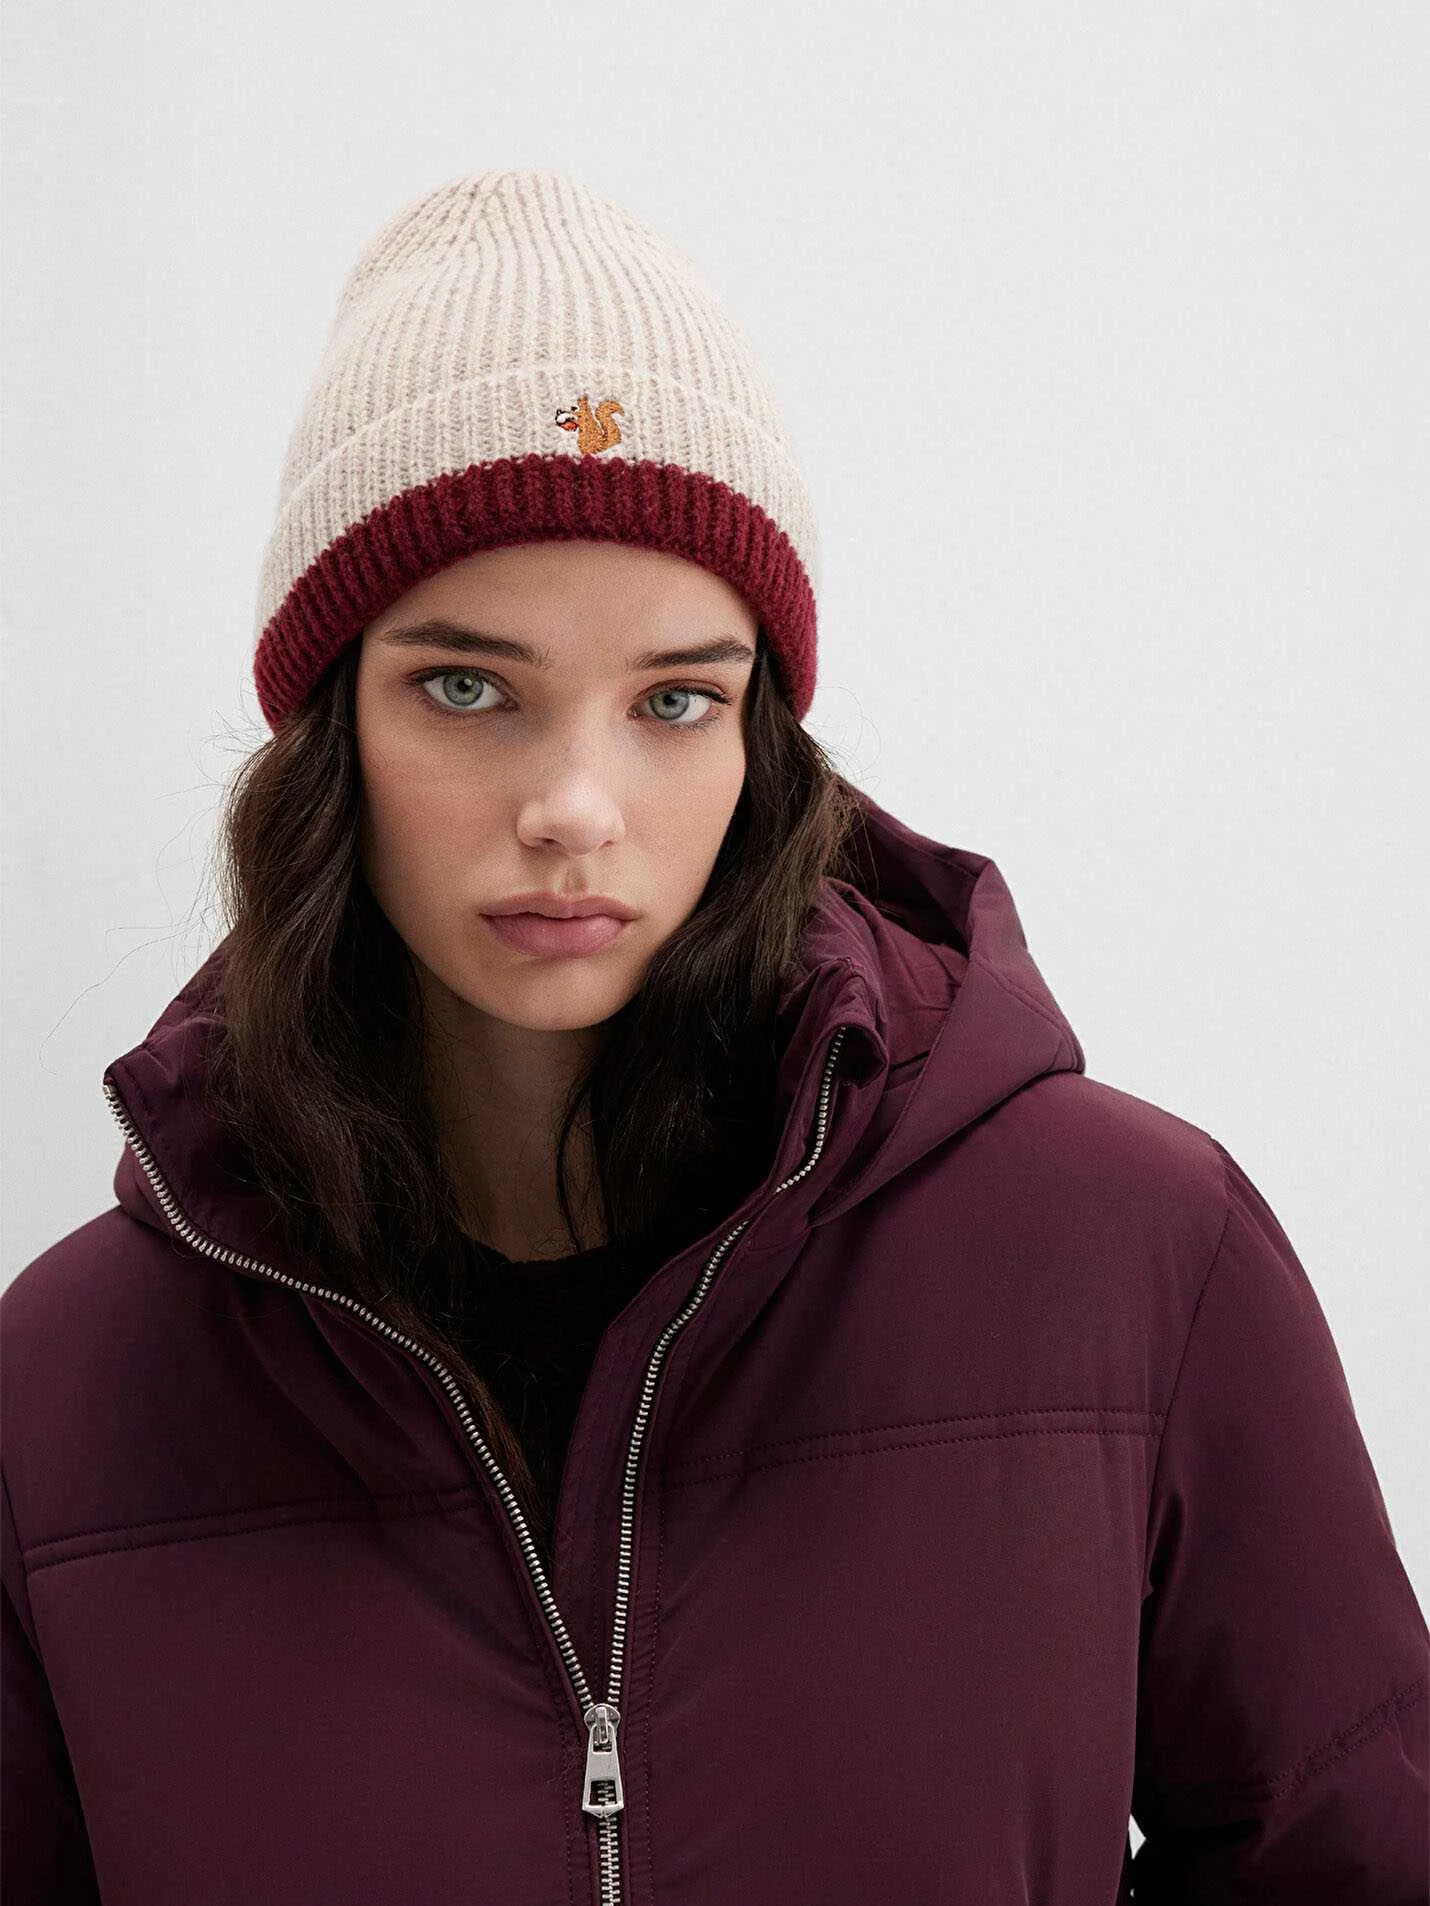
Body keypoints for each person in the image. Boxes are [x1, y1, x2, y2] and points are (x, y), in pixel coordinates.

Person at [2, 167, 1425, 1905]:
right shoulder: (63, 1393)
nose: (574, 804)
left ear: (759, 742)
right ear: (329, 727)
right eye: (466, 686)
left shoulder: (1136, 1257)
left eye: (674, 699)